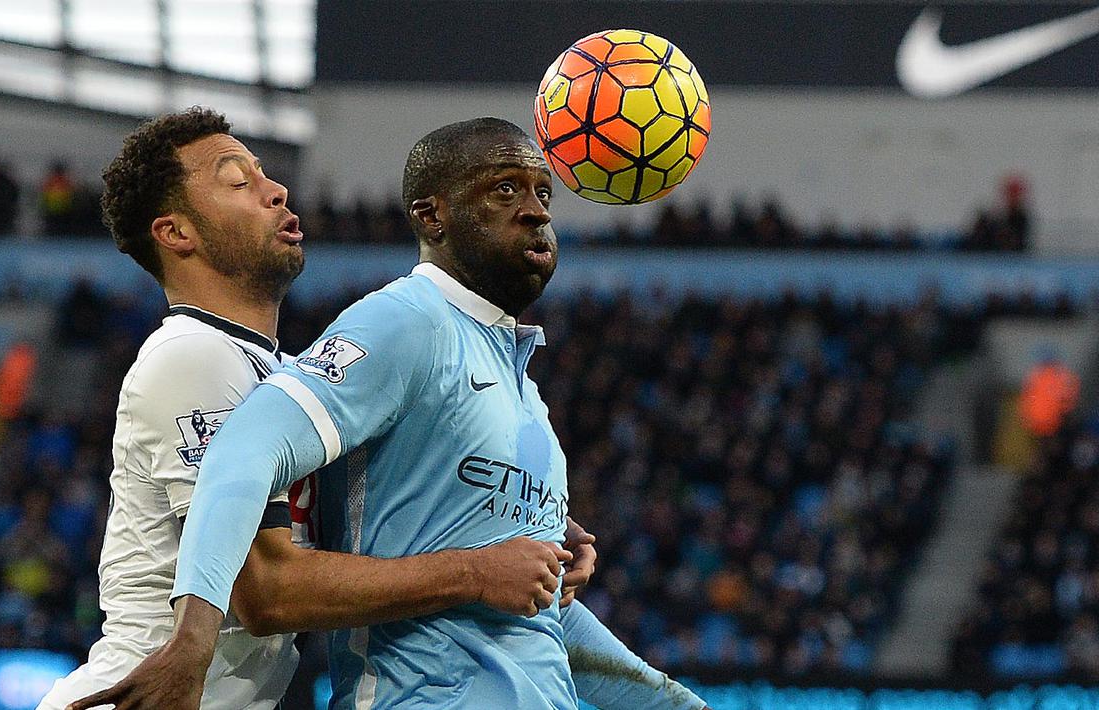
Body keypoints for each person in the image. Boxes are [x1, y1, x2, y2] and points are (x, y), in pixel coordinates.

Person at [73, 118, 707, 709]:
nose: (277, 189)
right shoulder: (198, 356)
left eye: (543, 191)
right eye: (240, 181)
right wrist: (190, 643)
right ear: (176, 232)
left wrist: (518, 537)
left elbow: (507, 599)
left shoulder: (297, 374)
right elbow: (268, 586)